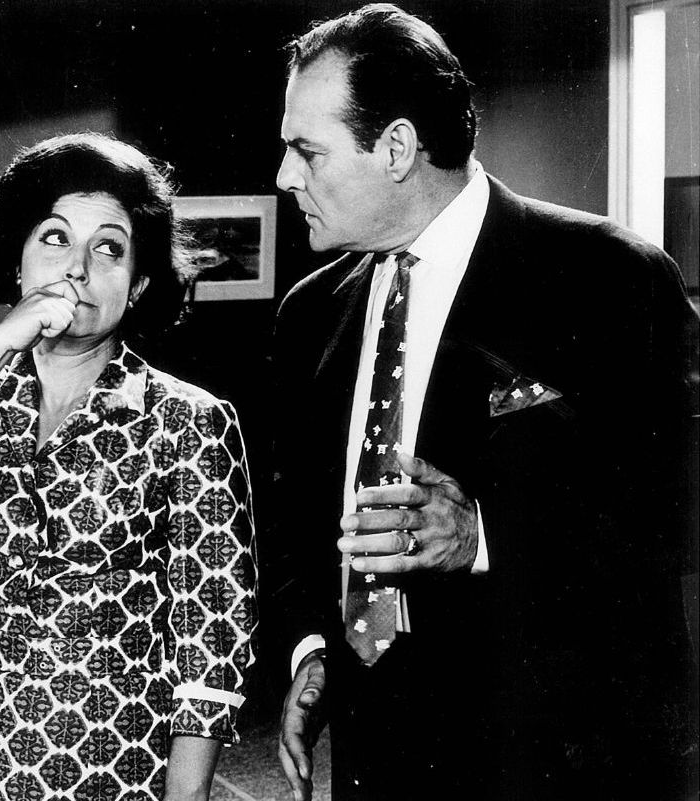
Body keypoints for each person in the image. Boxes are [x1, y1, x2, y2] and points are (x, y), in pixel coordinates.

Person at [268, 5, 698, 800]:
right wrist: (313, 650)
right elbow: (295, 522)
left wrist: (482, 534)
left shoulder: (610, 277)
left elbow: (678, 509)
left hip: (566, 759)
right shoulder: (309, 313)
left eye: (307, 151)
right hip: (383, 758)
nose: (285, 177)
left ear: (397, 148)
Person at [0, 133, 257, 801]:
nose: (77, 268)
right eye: (54, 238)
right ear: (17, 262)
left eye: (108, 249)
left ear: (138, 285)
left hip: (117, 761)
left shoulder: (186, 420)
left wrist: (188, 793)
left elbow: (214, 631)